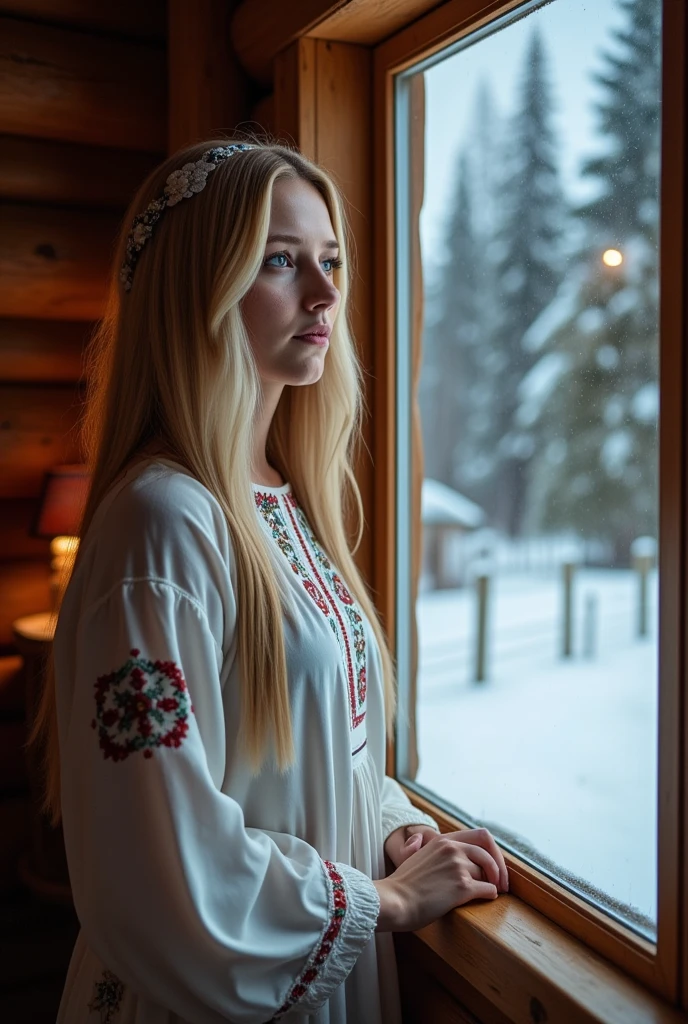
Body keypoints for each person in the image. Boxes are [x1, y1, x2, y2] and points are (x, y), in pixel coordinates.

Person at [29, 137, 509, 1024]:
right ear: (194, 289)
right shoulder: (162, 524)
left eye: (330, 260)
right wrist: (389, 902)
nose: (326, 293)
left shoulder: (281, 505)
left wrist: (395, 826)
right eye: (280, 261)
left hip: (315, 967)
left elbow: (320, 750)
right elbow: (155, 851)